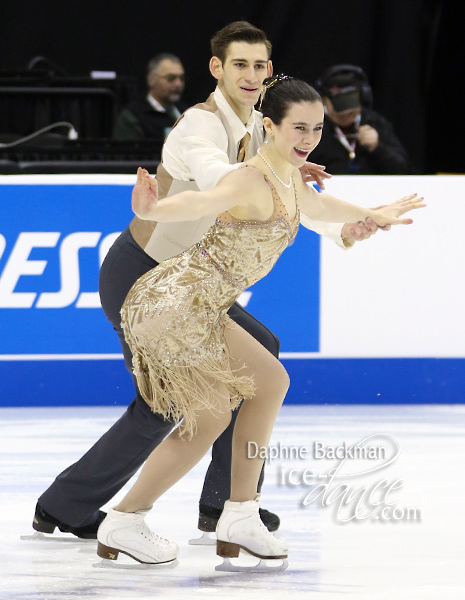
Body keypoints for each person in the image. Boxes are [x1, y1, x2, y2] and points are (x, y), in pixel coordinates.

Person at [32, 22, 382, 544]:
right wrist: (270, 171)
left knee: (262, 354)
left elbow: (281, 206)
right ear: (217, 68)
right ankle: (67, 504)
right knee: (168, 403)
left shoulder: (263, 131)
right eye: (239, 64)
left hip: (189, 282)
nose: (251, 74)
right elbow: (223, 181)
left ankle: (228, 505)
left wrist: (337, 225)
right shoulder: (200, 128)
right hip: (143, 273)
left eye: (260, 65)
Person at [95, 74, 424, 568]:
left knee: (270, 381)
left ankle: (239, 515)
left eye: (316, 129)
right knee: (209, 416)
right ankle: (124, 520)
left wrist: (372, 213)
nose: (309, 139)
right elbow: (202, 201)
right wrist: (157, 206)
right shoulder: (248, 176)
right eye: (298, 128)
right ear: (270, 126)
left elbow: (316, 204)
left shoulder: (291, 176)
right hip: (172, 303)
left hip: (202, 304)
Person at [309, 65, 411, 175]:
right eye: (340, 107)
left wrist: (377, 147)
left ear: (362, 97)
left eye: (350, 105)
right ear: (324, 101)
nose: (346, 113)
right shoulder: (312, 128)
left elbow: (402, 168)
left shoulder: (375, 122)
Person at [112, 53, 186, 160]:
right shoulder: (132, 116)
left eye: (181, 78)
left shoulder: (189, 112)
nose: (178, 84)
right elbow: (129, 158)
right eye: (171, 78)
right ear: (151, 79)